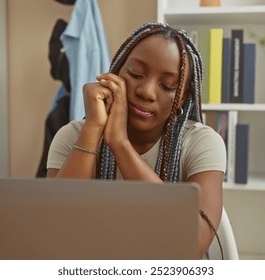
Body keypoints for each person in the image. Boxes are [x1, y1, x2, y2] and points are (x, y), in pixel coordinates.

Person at [46, 22, 227, 258]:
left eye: (167, 86)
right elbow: (53, 230)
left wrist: (120, 143)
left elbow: (192, 245)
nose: (147, 91)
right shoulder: (73, 136)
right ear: (116, 73)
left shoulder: (201, 143)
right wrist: (93, 128)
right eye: (135, 74)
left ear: (182, 99)